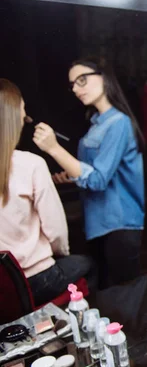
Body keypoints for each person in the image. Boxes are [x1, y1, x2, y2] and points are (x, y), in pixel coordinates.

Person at [33, 57, 145, 289]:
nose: (75, 88)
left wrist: (54, 148)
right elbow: (91, 172)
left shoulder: (118, 123)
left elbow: (98, 179)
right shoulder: (97, 124)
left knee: (124, 295)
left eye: (82, 80)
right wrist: (71, 175)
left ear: (104, 78)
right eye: (72, 84)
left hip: (119, 223)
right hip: (97, 222)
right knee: (108, 293)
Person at [0, 78, 93, 305]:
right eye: (22, 109)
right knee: (88, 264)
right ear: (15, 117)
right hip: (36, 279)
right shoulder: (31, 164)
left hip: (4, 285)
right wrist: (61, 253)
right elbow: (57, 232)